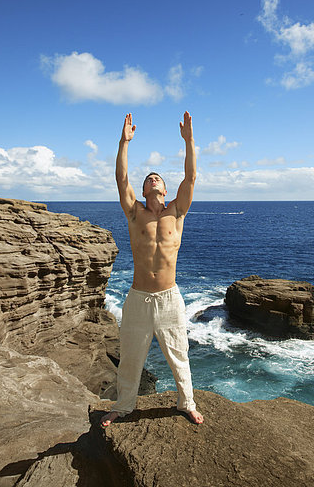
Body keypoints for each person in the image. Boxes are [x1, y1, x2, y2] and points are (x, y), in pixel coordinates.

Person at [101, 111, 204, 426]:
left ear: (164, 188)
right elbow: (121, 179)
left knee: (179, 355)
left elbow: (191, 177)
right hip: (138, 298)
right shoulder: (135, 214)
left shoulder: (177, 211)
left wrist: (188, 141)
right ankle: (124, 405)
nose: (152, 179)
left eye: (156, 178)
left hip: (169, 299)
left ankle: (186, 403)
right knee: (130, 358)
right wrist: (124, 142)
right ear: (145, 191)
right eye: (148, 179)